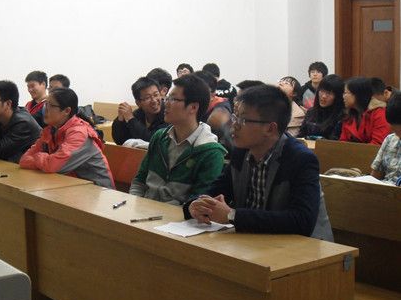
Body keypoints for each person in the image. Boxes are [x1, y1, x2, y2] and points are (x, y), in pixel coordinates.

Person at [183, 85, 333, 240]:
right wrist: (194, 205)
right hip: (255, 241)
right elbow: (216, 190)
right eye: (234, 117)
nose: (234, 125)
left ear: (270, 128)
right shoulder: (241, 152)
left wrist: (232, 215)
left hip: (304, 247)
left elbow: (302, 221)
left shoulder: (300, 159)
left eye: (243, 120)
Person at [129, 74, 226, 204]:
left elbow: (198, 203)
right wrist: (133, 203)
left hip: (177, 216)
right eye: (167, 97)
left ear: (193, 107)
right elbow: (139, 180)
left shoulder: (211, 153)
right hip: (143, 209)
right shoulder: (159, 137)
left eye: (173, 99)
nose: (165, 103)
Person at [20, 88, 115, 188]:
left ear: (66, 111)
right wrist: (45, 160)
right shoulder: (50, 130)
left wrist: (39, 157)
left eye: (51, 105)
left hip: (97, 190)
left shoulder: (78, 133)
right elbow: (24, 160)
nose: (45, 109)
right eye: (46, 104)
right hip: (68, 185)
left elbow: (53, 166)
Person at [111, 76, 168, 145]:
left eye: (156, 95)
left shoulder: (169, 114)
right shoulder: (138, 114)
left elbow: (152, 141)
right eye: (147, 98)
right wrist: (120, 120)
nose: (154, 100)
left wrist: (131, 119)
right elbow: (120, 141)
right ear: (138, 103)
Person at [340, 77, 391, 145]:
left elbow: (377, 143)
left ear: (358, 94)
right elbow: (343, 142)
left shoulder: (379, 113)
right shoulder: (349, 115)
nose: (343, 96)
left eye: (346, 93)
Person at [298, 74, 344, 140]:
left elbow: (334, 141)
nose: (323, 96)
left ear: (338, 96)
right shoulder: (311, 112)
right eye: (322, 91)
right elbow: (301, 135)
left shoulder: (341, 117)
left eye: (329, 93)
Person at [371, 91, 401, 184]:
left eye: (397, 126)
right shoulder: (390, 139)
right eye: (391, 124)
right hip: (383, 189)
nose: (391, 128)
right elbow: (375, 176)